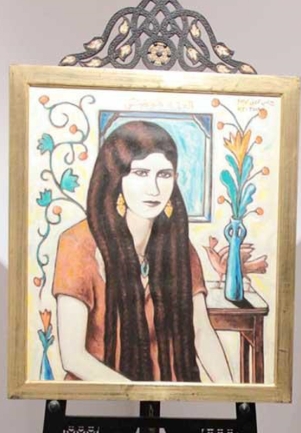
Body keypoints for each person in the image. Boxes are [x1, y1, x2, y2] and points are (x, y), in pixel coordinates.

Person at [53, 120, 233, 383]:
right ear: (117, 177)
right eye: (140, 173)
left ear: (175, 179)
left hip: (166, 397)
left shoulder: (178, 246)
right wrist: (135, 394)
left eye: (164, 174)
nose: (154, 188)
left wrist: (231, 391)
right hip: (97, 396)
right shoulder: (77, 243)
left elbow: (201, 332)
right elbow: (72, 356)